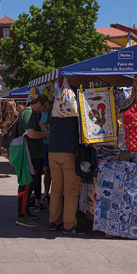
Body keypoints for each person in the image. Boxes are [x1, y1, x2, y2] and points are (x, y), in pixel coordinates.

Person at [47, 99, 86, 235]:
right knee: (71, 191)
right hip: (69, 152)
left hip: (53, 152)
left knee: (56, 188)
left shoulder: (54, 108)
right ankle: (69, 225)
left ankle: (54, 221)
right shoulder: (77, 108)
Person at [14, 95, 51, 228]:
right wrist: (45, 135)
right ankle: (22, 215)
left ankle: (26, 212)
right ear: (39, 104)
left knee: (30, 185)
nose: (45, 110)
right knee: (26, 185)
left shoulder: (33, 114)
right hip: (30, 156)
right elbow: (31, 134)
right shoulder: (29, 114)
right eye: (45, 106)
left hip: (34, 156)